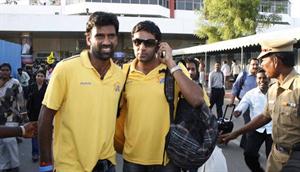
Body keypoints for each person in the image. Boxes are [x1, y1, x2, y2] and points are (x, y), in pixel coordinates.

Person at [38, 11, 125, 172]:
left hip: (107, 164)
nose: (107, 41)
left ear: (116, 38)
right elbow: (45, 116)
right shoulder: (66, 69)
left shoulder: (119, 75)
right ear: (88, 39)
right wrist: (45, 164)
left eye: (111, 36)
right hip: (70, 166)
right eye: (100, 36)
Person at [120, 20, 203, 172]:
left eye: (148, 43)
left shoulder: (174, 70)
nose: (142, 47)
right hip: (132, 158)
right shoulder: (123, 72)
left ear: (158, 45)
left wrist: (171, 63)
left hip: (167, 159)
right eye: (137, 42)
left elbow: (198, 99)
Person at [220, 38, 299, 172]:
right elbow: (264, 116)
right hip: (276, 157)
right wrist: (236, 133)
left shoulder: (298, 88)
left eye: (263, 60)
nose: (261, 65)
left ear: (275, 61)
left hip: (295, 160)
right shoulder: (273, 88)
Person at [232, 68, 272, 172]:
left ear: (269, 79)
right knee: (249, 154)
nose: (262, 80)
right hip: (256, 129)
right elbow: (243, 104)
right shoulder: (251, 94)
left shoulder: (275, 93)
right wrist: (238, 111)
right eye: (259, 78)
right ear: (256, 80)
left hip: (272, 130)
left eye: (264, 78)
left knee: (272, 159)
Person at [0, 63, 25, 172]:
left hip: (12, 116)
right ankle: (4, 166)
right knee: (2, 143)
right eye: (2, 70)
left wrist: (24, 114)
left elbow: (20, 99)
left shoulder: (15, 83)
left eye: (7, 70)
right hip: (0, 117)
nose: (5, 72)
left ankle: (15, 165)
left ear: (10, 71)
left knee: (9, 140)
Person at [229, 57, 259, 149]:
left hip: (256, 104)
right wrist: (232, 101)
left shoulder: (260, 76)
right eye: (253, 64)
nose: (255, 66)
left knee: (251, 124)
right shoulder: (244, 75)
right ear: (249, 65)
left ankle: (243, 143)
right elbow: (235, 87)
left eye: (257, 64)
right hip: (245, 104)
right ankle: (249, 147)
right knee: (249, 123)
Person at [27, 70, 47, 162]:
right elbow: (28, 100)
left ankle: (44, 153)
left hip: (44, 114)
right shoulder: (31, 87)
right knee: (34, 134)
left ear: (44, 77)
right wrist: (28, 113)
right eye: (38, 75)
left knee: (43, 134)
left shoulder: (48, 88)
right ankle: (35, 153)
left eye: (41, 76)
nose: (39, 77)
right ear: (35, 77)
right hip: (33, 114)